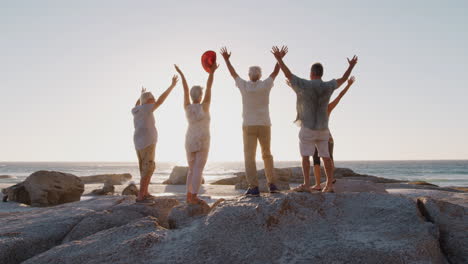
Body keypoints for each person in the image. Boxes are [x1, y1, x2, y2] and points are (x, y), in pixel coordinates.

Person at [271, 45, 358, 193]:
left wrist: (279, 59)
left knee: (305, 157)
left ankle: (306, 184)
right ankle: (329, 185)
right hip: (323, 128)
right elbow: (343, 79)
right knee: (326, 158)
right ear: (321, 74)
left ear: (311, 73)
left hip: (308, 127)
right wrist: (351, 66)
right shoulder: (328, 86)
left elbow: (288, 74)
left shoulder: (306, 84)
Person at [220, 46, 287, 196]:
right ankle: (272, 185)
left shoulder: (244, 85)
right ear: (260, 75)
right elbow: (276, 72)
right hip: (264, 124)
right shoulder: (265, 85)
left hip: (249, 126)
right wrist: (279, 58)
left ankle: (254, 187)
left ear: (249, 75)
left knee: (249, 157)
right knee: (267, 154)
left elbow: (233, 74)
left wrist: (226, 60)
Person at [287, 76, 356, 191]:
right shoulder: (327, 108)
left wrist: (292, 86)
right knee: (323, 159)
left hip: (322, 136)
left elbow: (301, 95)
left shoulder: (315, 108)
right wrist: (348, 85)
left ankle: (324, 183)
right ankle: (325, 184)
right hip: (325, 136)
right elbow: (339, 96)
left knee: (319, 159)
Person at [174, 63, 218, 204]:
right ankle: (194, 196)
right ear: (201, 95)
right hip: (203, 139)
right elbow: (209, 87)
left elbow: (185, 90)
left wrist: (181, 74)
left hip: (190, 138)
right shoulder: (205, 105)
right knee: (198, 169)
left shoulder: (187, 106)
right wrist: (212, 73)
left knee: (191, 169)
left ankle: (189, 195)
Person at [132, 75, 178, 202]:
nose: (154, 100)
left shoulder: (136, 110)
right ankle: (141, 195)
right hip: (148, 142)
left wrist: (140, 95)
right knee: (149, 168)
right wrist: (172, 86)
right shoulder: (147, 108)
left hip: (138, 143)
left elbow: (137, 103)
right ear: (148, 100)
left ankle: (144, 193)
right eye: (152, 99)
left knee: (144, 168)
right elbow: (161, 100)